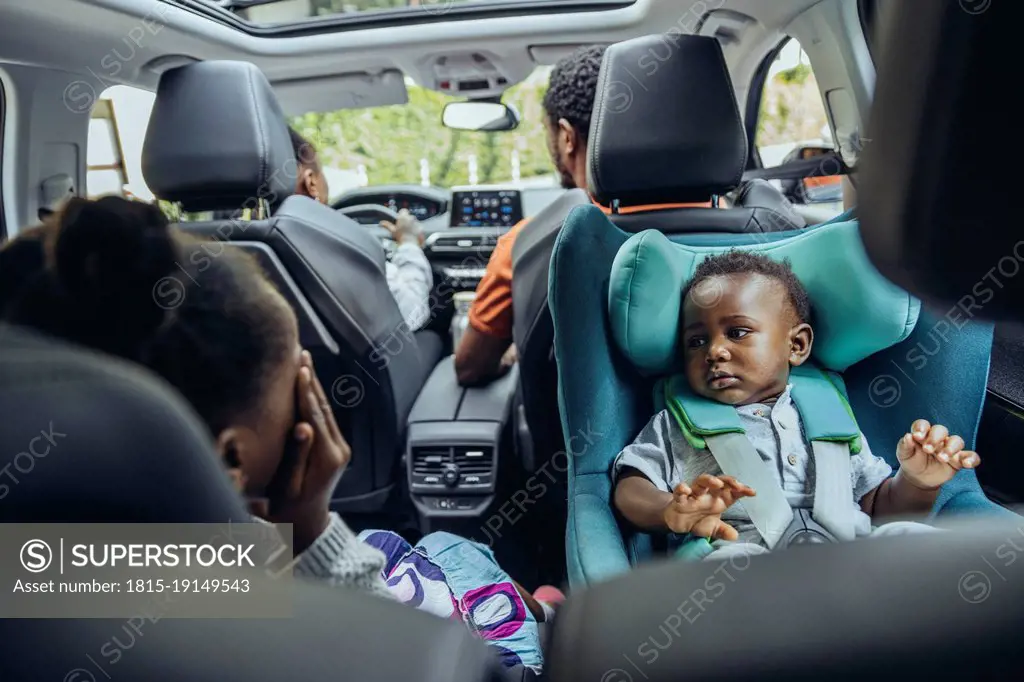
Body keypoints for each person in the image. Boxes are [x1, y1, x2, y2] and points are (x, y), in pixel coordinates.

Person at [0, 196, 559, 673]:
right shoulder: (412, 661)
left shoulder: (41, 572)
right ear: (231, 459)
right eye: (300, 376)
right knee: (445, 551)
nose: (311, 395)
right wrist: (313, 527)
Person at [611, 250, 980, 560]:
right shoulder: (675, 423)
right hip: (742, 560)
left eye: (737, 332)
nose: (715, 351)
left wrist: (917, 482)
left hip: (847, 563)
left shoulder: (829, 416)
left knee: (913, 537)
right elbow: (629, 487)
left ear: (797, 345)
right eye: (696, 342)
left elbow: (876, 510)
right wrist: (671, 512)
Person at [454, 45, 708, 386]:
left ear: (567, 136)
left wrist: (511, 356)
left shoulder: (533, 242)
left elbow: (470, 368)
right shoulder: (756, 228)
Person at [289, 127, 435, 333]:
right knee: (433, 336)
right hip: (356, 363)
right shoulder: (337, 245)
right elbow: (412, 312)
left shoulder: (239, 241)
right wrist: (409, 243)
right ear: (311, 181)